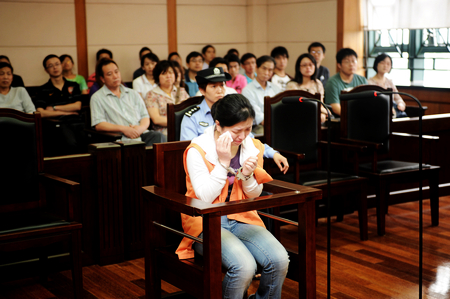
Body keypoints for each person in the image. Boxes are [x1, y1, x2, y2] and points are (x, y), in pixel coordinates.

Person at [178, 93, 289, 298]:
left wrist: (247, 177)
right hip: (206, 221)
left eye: (248, 129)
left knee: (280, 259)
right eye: (237, 130)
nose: (243, 136)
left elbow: (254, 195)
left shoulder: (250, 146)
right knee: (244, 267)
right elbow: (204, 197)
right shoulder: (198, 150)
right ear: (218, 125)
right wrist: (223, 162)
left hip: (241, 216)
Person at [180, 67, 288, 174]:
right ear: (202, 90)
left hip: (239, 171)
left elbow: (250, 141)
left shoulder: (235, 111)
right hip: (207, 170)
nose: (220, 90)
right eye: (213, 86)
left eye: (222, 85)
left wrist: (273, 153)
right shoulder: (192, 117)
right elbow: (191, 150)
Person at [90, 58, 165, 146]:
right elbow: (99, 125)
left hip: (140, 133)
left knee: (159, 137)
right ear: (102, 79)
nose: (115, 76)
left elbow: (145, 116)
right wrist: (124, 129)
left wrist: (140, 129)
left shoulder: (133, 93)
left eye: (116, 72)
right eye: (110, 74)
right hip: (119, 138)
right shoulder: (97, 97)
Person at [35, 54, 85, 156]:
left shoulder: (73, 85)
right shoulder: (42, 90)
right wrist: (65, 112)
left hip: (77, 122)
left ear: (61, 65)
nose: (55, 67)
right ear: (46, 70)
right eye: (51, 65)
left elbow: (77, 106)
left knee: (88, 143)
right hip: (58, 124)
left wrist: (54, 108)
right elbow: (40, 112)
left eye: (57, 64)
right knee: (71, 144)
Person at [144, 60, 189, 136]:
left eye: (171, 72)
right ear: (157, 76)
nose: (168, 76)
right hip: (164, 133)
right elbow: (156, 119)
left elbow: (189, 111)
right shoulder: (151, 94)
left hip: (184, 130)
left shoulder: (182, 91)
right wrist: (178, 121)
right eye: (164, 73)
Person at [242, 55, 281, 132]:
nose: (266, 73)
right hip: (258, 127)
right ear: (256, 68)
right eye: (264, 68)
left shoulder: (276, 88)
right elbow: (258, 117)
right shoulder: (247, 90)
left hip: (277, 123)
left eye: (270, 70)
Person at [324, 48, 367, 116]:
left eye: (353, 61)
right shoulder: (332, 82)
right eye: (347, 62)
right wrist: (353, 116)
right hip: (342, 119)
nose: (351, 64)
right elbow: (335, 107)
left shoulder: (362, 80)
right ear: (339, 65)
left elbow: (367, 102)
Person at [286, 53, 327, 123]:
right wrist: (324, 110)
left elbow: (321, 104)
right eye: (304, 65)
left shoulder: (318, 83)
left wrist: (323, 114)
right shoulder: (292, 85)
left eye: (311, 65)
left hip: (316, 118)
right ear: (298, 68)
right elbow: (292, 108)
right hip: (297, 119)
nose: (308, 67)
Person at [368, 53, 407, 118]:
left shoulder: (389, 82)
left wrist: (400, 104)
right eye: (382, 63)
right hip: (378, 115)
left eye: (388, 64)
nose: (385, 66)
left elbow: (398, 98)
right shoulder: (369, 82)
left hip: (393, 113)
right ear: (376, 64)